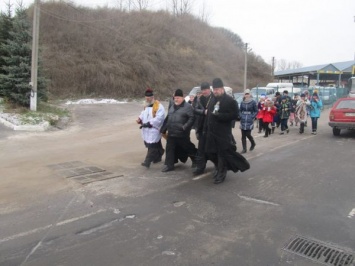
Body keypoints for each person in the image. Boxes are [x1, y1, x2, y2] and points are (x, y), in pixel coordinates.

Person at [205, 78, 250, 184]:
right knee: (209, 153)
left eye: (217, 89)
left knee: (221, 154)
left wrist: (220, 116)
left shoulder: (230, 101)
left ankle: (221, 172)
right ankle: (218, 167)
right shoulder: (212, 100)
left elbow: (235, 115)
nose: (215, 91)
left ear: (222, 89)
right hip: (211, 132)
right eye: (214, 89)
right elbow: (209, 115)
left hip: (223, 133)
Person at [160, 88, 197, 172]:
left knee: (188, 147)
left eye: (178, 98)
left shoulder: (188, 107)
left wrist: (185, 127)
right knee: (169, 148)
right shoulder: (172, 107)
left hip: (182, 133)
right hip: (172, 132)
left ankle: (196, 160)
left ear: (182, 98)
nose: (176, 99)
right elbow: (168, 118)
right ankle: (169, 165)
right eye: (175, 97)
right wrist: (163, 129)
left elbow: (192, 118)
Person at [192, 82, 218, 176]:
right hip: (202, 127)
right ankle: (200, 167)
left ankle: (217, 166)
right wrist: (203, 112)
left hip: (212, 127)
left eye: (205, 89)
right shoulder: (199, 99)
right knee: (201, 149)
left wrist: (210, 112)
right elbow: (194, 109)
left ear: (209, 89)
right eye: (202, 90)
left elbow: (217, 110)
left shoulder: (215, 98)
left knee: (214, 149)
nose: (204, 91)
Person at [136, 88, 165, 168]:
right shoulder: (146, 105)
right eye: (146, 98)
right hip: (146, 128)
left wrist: (150, 123)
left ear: (152, 97)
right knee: (155, 143)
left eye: (148, 98)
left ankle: (147, 161)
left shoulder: (158, 106)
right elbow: (143, 113)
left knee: (152, 145)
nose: (147, 100)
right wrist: (140, 118)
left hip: (154, 128)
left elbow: (160, 118)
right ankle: (159, 154)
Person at [239, 88, 258, 153]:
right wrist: (240, 116)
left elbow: (256, 111)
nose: (247, 95)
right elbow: (240, 110)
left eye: (248, 94)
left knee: (248, 134)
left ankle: (253, 143)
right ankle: (244, 149)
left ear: (250, 94)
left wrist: (252, 116)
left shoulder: (253, 102)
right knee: (243, 135)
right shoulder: (242, 102)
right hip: (243, 119)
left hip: (249, 119)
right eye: (246, 94)